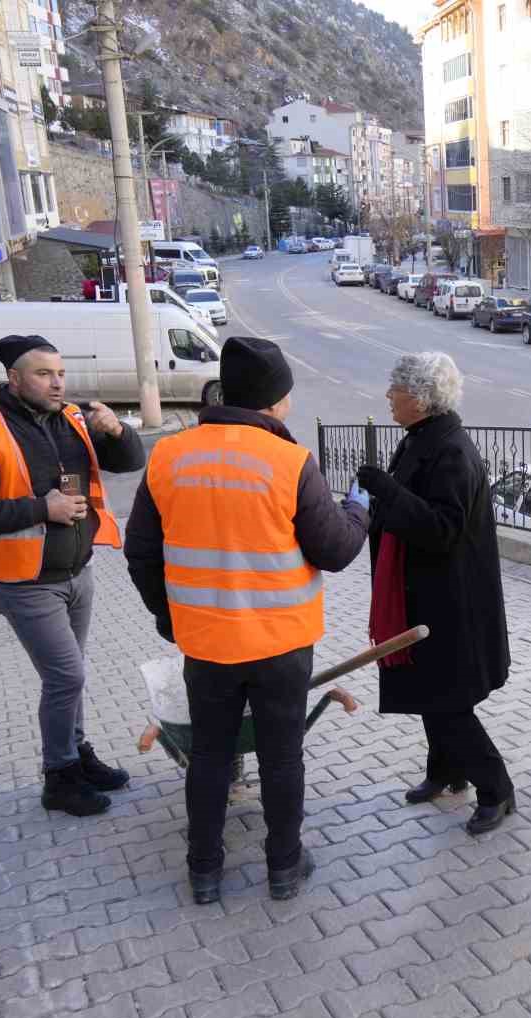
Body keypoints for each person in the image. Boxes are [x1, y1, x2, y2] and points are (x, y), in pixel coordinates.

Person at [124, 337, 370, 904]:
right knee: (282, 757)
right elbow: (334, 550)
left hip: (206, 644)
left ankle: (204, 871)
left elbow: (140, 552)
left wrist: (171, 617)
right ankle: (284, 867)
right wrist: (358, 507)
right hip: (281, 645)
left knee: (209, 755)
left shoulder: (169, 456)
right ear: (275, 402)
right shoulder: (287, 462)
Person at [0, 334, 147, 817]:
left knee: (69, 677)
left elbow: (131, 462)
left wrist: (117, 431)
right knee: (66, 675)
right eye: (43, 374)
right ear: (14, 379)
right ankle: (58, 777)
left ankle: (77, 755)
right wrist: (42, 508)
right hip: (23, 581)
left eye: (60, 373)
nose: (57, 383)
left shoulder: (73, 418)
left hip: (78, 572)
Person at [356, 352, 516, 836]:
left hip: (451, 603)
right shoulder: (421, 439)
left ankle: (497, 788)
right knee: (431, 692)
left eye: (395, 389)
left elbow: (443, 528)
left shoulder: (452, 451)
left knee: (447, 701)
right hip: (422, 595)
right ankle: (446, 772)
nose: (388, 396)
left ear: (420, 399)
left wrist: (386, 490)